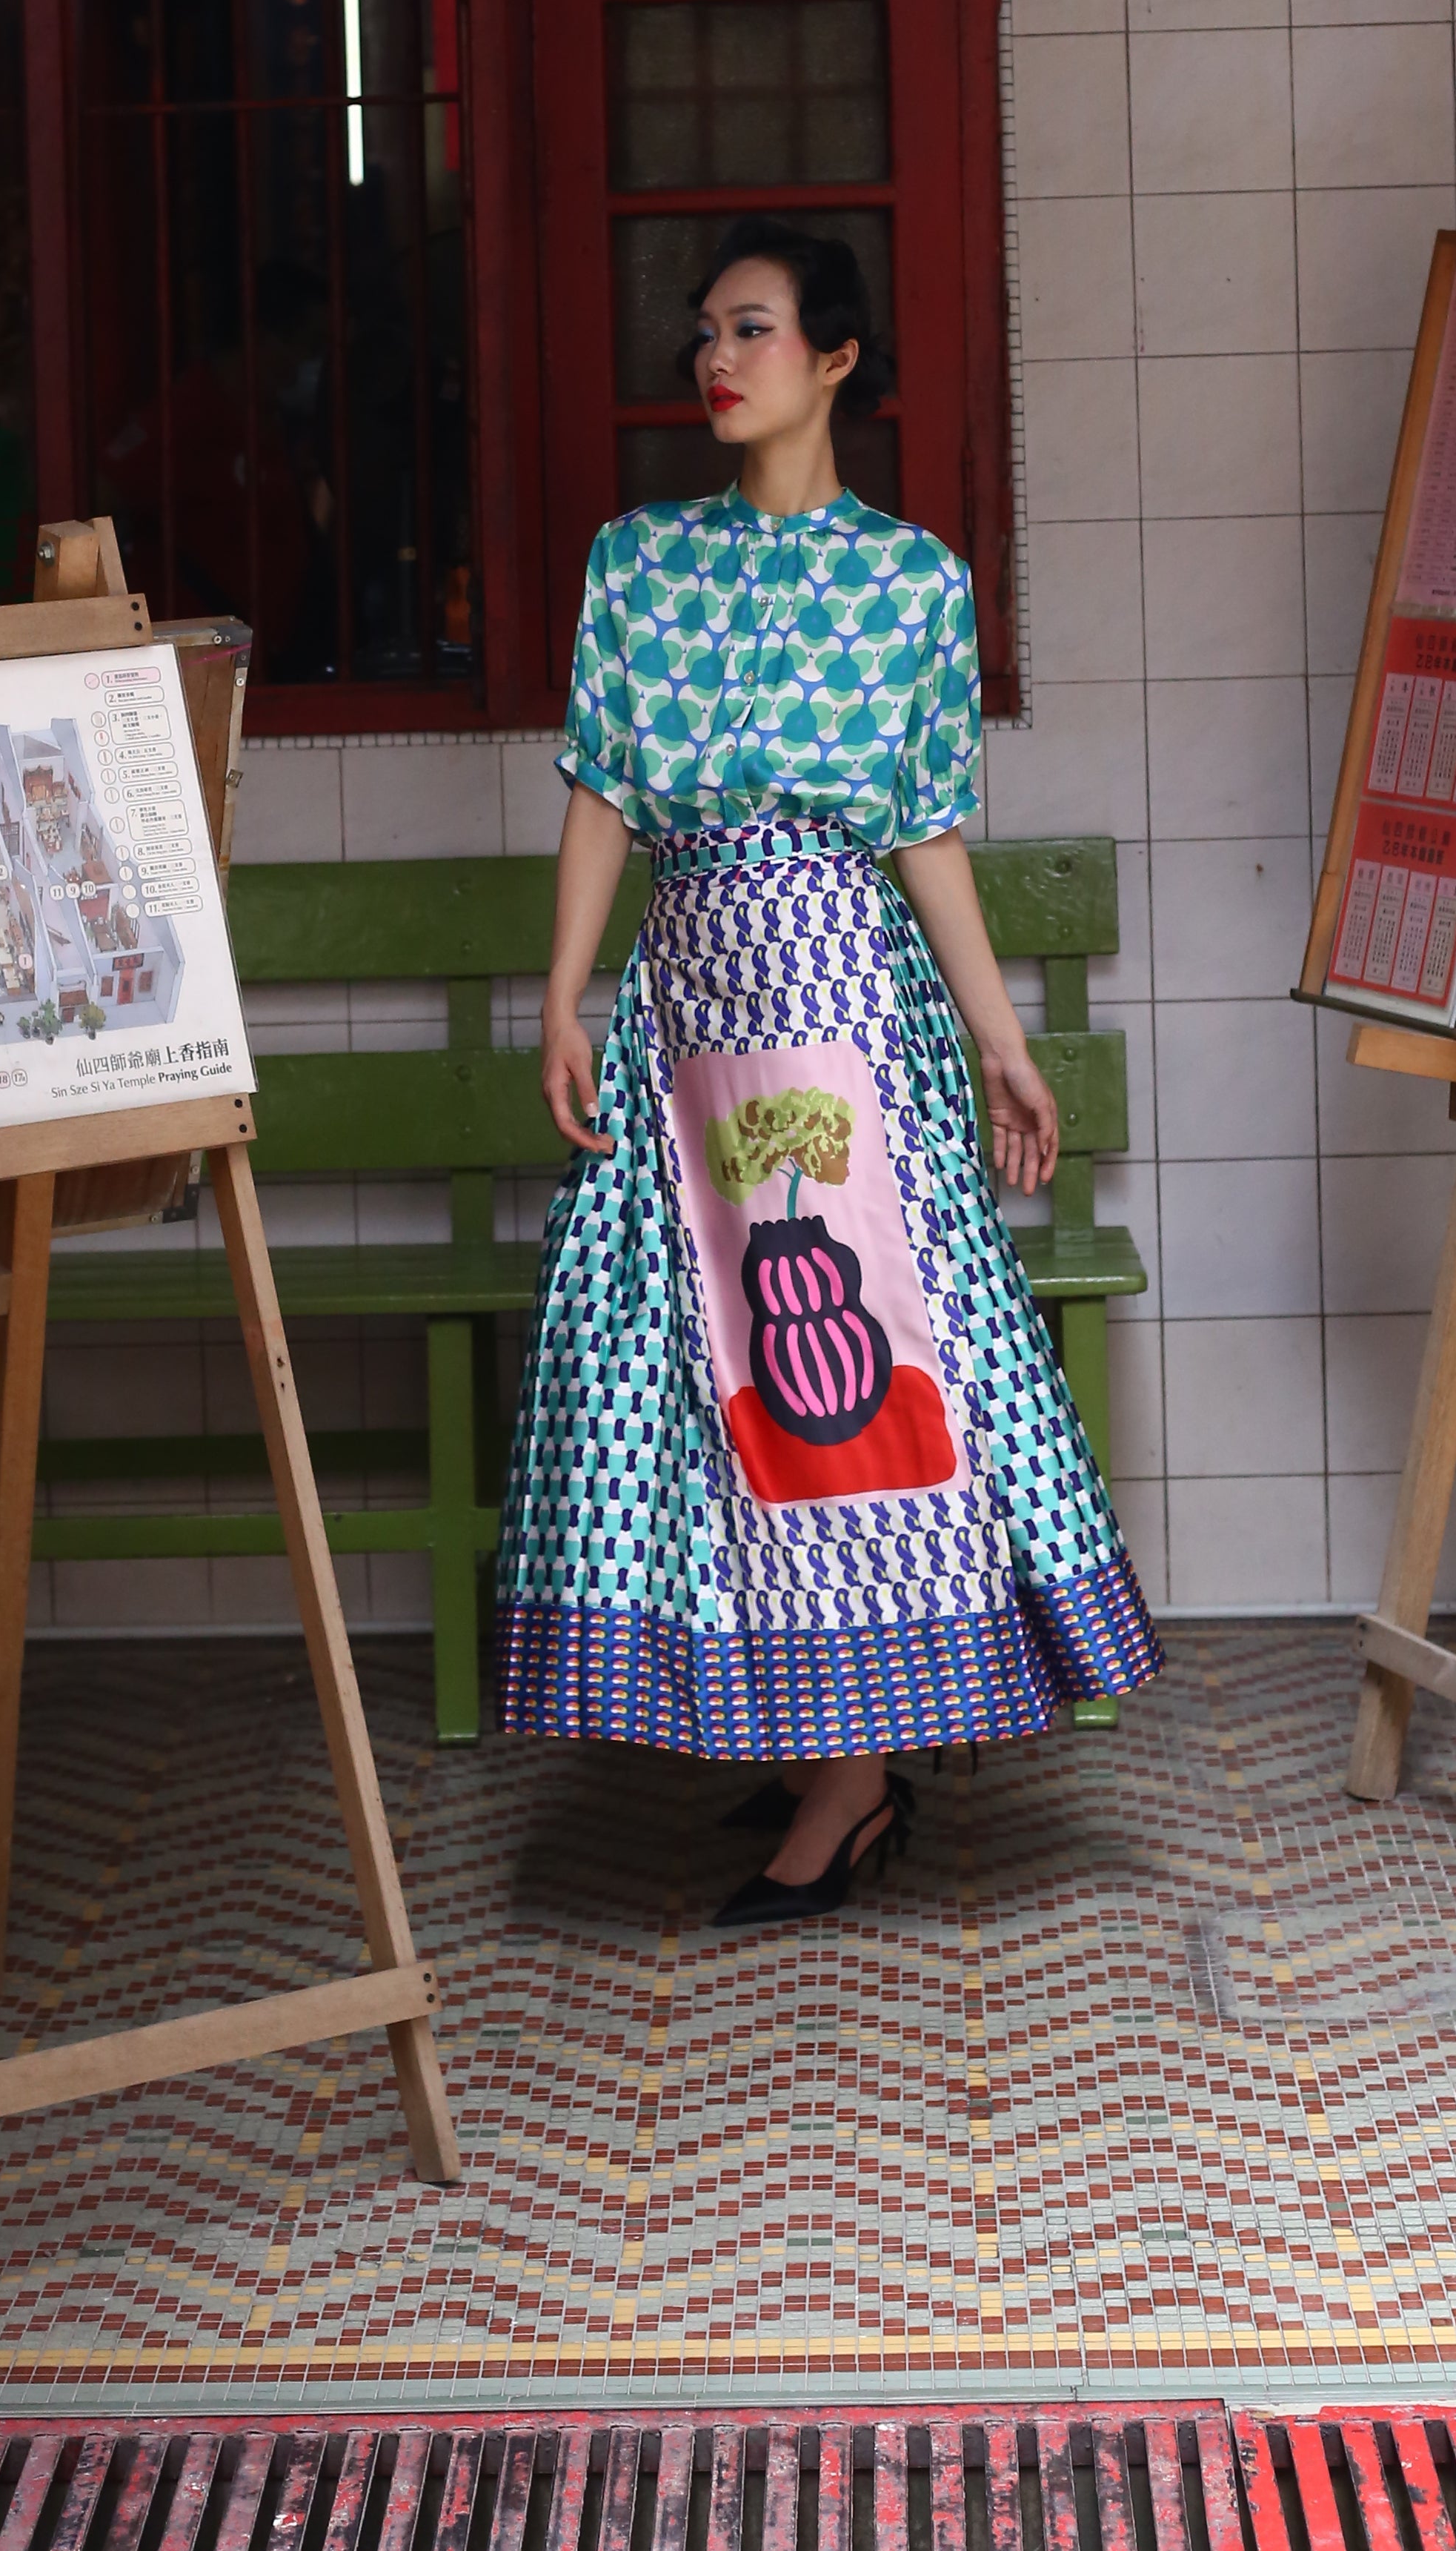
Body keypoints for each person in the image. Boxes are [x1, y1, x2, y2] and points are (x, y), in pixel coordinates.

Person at [495, 221, 1159, 1919]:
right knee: (698, 1370)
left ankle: (857, 1777)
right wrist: (567, 992)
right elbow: (603, 792)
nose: (717, 358)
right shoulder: (636, 562)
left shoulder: (914, 583)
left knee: (848, 1371)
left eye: (755, 328)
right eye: (704, 333)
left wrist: (1001, 1044)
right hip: (683, 1012)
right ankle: (819, 1736)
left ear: (837, 357)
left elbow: (927, 835)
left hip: (846, 1018)